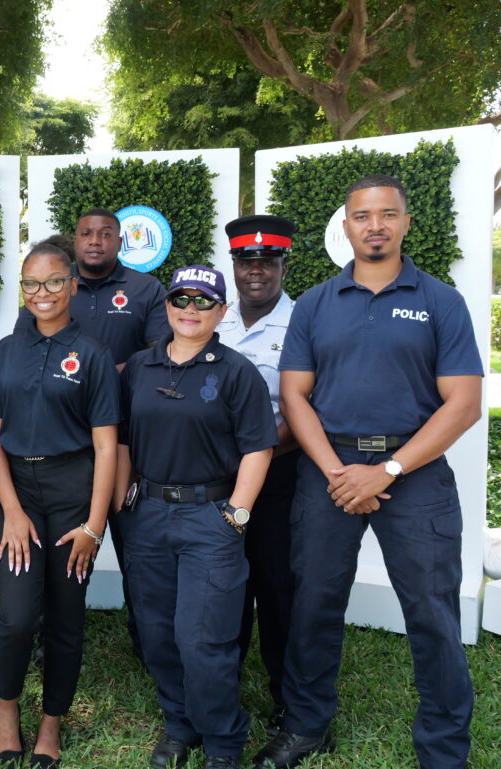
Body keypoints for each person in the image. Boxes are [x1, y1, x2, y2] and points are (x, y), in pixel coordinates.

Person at [253, 175, 482, 769]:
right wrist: (337, 472)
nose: (374, 225)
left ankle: (444, 746)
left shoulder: (441, 301)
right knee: (314, 601)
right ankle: (306, 726)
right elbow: (295, 395)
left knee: (432, 609)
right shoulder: (317, 304)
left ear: (406, 222)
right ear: (346, 225)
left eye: (387, 214)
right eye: (362, 215)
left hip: (416, 470)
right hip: (327, 469)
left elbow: (463, 403)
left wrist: (387, 469)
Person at [116, 265, 277, 769]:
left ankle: (224, 743)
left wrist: (238, 512)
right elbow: (121, 440)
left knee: (203, 638)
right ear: (166, 307)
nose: (191, 309)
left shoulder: (236, 371)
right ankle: (179, 725)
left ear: (222, 313)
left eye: (204, 301)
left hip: (211, 517)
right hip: (147, 516)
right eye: (181, 299)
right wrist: (122, 499)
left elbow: (258, 447)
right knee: (158, 632)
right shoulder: (139, 367)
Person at [0, 242, 119, 769]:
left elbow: (106, 445)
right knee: (17, 617)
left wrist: (94, 525)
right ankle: (7, 716)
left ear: (73, 286)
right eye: (31, 284)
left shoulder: (93, 354)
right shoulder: (6, 352)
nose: (42, 294)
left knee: (66, 617)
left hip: (71, 495)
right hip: (18, 490)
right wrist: (11, 510)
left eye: (53, 282)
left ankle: (51, 724)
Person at [17, 208, 168, 660]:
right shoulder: (55, 286)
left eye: (106, 234)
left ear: (121, 241)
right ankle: (51, 638)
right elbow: (28, 357)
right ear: (75, 240)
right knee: (61, 547)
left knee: (134, 546)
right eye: (86, 233)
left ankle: (149, 641)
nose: (95, 241)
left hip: (129, 441)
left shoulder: (145, 289)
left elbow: (161, 354)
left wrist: (97, 375)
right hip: (64, 444)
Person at [215, 215, 299, 735]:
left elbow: (305, 409)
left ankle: (286, 697)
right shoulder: (212, 318)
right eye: (247, 261)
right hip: (214, 482)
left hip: (279, 479)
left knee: (275, 588)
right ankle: (221, 693)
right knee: (221, 587)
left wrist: (253, 460)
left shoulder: (305, 321)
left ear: (283, 264)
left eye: (268, 262)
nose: (256, 272)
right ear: (234, 265)